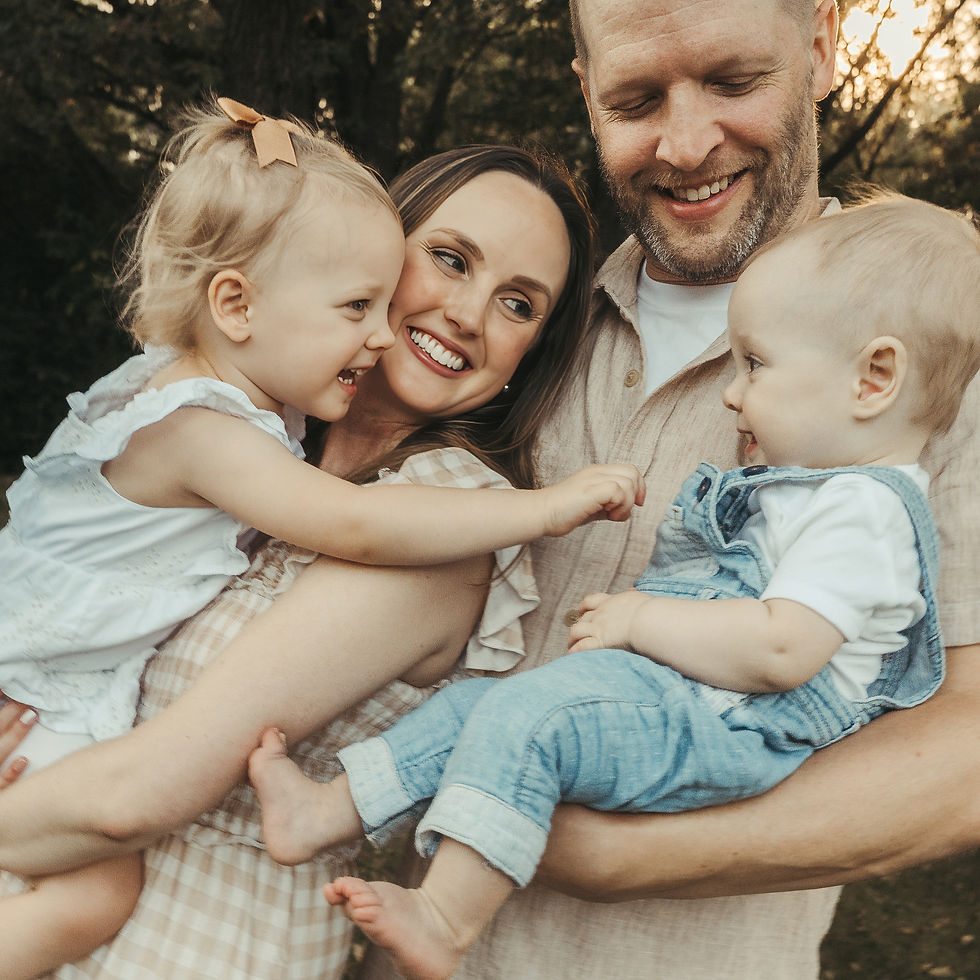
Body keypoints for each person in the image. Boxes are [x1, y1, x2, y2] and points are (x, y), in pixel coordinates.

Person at [348, 3, 980, 979]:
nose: (684, 145)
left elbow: (965, 753)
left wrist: (618, 855)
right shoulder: (528, 325)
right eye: (635, 98)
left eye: (732, 82)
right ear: (584, 87)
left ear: (818, 49)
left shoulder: (933, 367)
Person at [0, 95, 644, 977]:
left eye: (519, 305)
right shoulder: (253, 431)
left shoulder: (444, 524)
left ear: (527, 357)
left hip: (207, 943)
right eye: (449, 260)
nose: (466, 313)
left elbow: (135, 797)